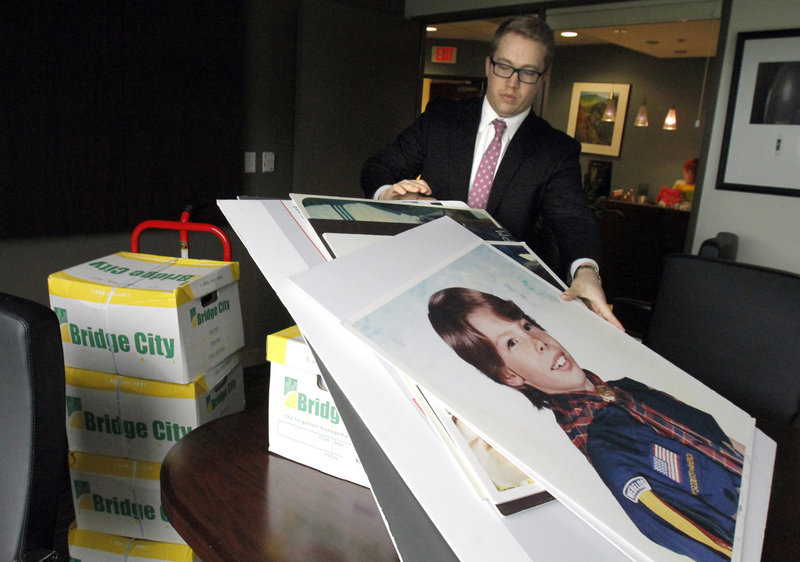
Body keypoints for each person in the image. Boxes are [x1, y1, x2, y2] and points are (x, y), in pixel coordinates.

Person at [427, 287, 743, 561]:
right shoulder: (609, 450)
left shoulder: (627, 388)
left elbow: (721, 439)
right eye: (511, 342)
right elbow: (715, 546)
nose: (539, 342)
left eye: (527, 325)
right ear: (509, 375)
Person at [361, 16, 622, 330]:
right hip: (424, 278)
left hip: (502, 302)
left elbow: (573, 217)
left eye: (527, 72)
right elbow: (378, 168)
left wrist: (586, 272)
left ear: (543, 77)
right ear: (488, 65)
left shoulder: (555, 149)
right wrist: (389, 195)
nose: (512, 82)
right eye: (504, 66)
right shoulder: (442, 118)